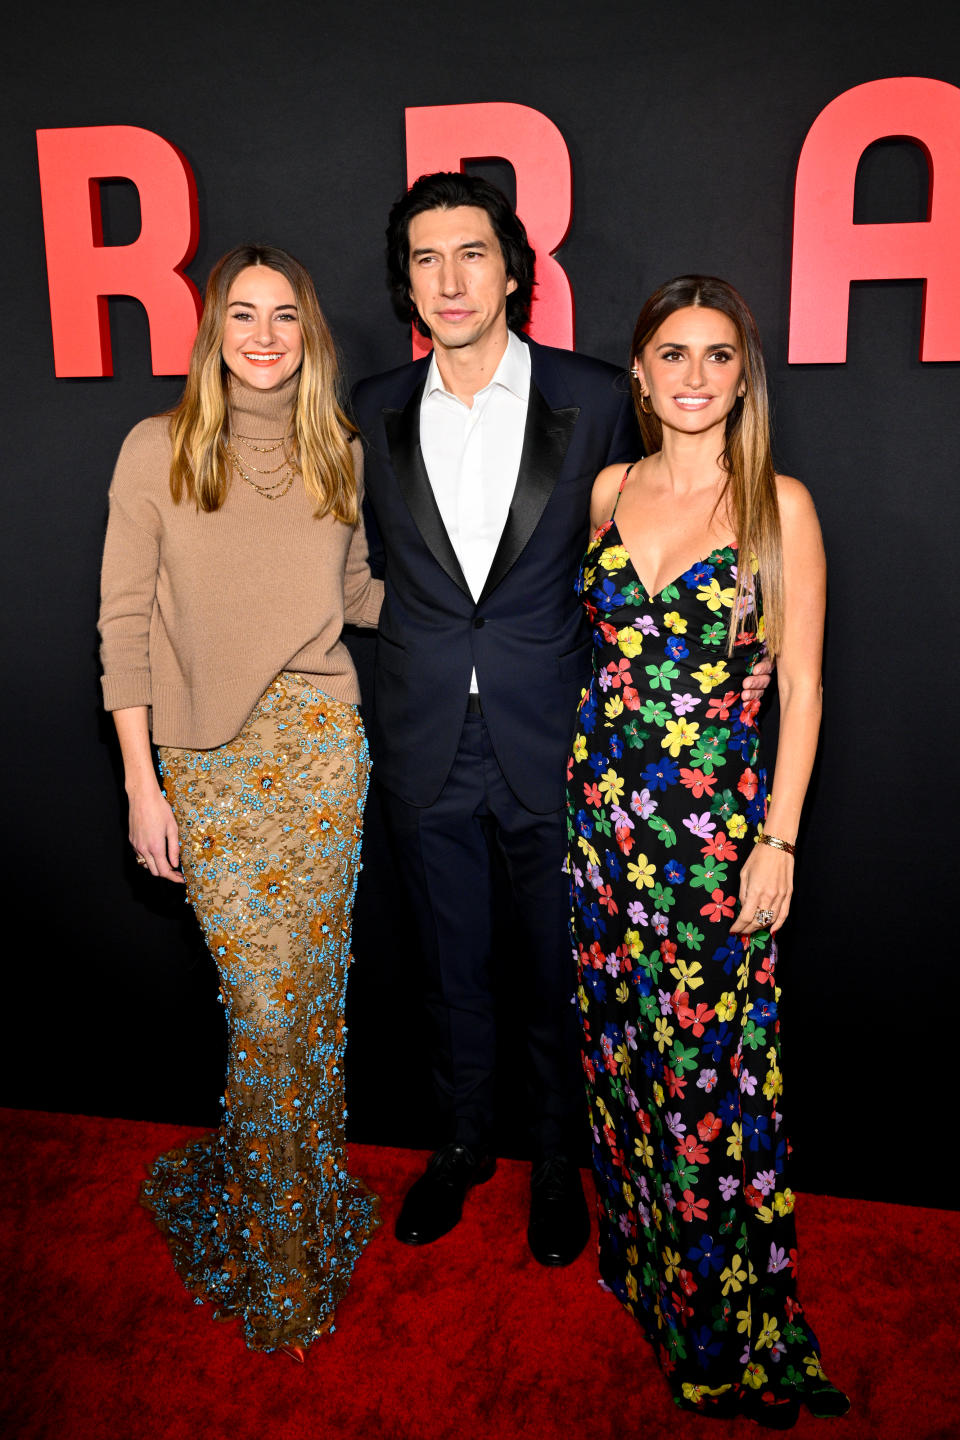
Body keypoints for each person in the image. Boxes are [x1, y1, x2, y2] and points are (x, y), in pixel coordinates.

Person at [352, 175, 771, 1266]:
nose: (450, 279)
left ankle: (553, 1157)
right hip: (425, 736)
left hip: (566, 746)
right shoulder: (373, 406)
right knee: (449, 966)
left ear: (515, 270)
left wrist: (745, 666)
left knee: (553, 970)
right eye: (428, 258)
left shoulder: (593, 396)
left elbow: (675, 525)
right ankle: (459, 1145)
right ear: (407, 280)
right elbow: (382, 568)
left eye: (473, 253)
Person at [568, 275, 847, 1424]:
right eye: (671, 354)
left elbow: (807, 689)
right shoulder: (607, 488)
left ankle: (735, 1319)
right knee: (628, 1072)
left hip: (715, 847)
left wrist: (777, 839)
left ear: (745, 373)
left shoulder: (781, 506)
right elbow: (598, 663)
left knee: (713, 1090)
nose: (693, 375)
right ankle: (646, 1273)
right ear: (639, 371)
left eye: (716, 355)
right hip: (602, 834)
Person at [98, 244, 383, 1361]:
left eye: (285, 319)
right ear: (213, 331)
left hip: (320, 760)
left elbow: (359, 595)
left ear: (308, 335)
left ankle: (301, 1218)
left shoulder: (340, 453)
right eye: (242, 317)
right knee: (266, 1015)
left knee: (308, 1012)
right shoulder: (155, 450)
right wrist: (141, 781)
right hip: (208, 767)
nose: (264, 338)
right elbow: (122, 624)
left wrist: (503, 588)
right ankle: (277, 1243)